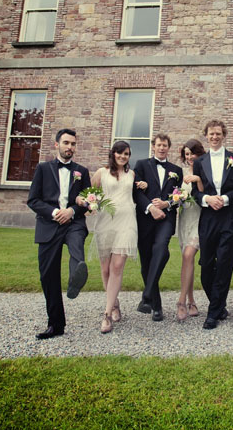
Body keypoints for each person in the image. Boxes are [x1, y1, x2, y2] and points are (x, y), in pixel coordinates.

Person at [27, 128, 91, 340]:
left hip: (73, 223)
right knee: (48, 275)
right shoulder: (43, 169)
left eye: (73, 144)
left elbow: (88, 201)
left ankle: (76, 278)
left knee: (76, 247)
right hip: (49, 225)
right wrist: (56, 212)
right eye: (66, 143)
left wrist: (73, 210)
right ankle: (56, 324)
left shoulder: (82, 171)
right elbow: (33, 200)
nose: (69, 147)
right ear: (57, 145)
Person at [192, 120, 233, 330]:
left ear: (224, 135)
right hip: (208, 218)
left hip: (231, 218)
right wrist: (207, 199)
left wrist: (224, 199)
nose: (214, 137)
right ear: (206, 135)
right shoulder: (199, 162)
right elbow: (195, 192)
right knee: (206, 266)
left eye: (218, 133)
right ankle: (220, 304)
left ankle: (213, 312)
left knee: (224, 263)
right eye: (211, 134)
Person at [78, 141, 139, 333]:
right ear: (113, 154)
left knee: (117, 266)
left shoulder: (132, 174)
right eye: (120, 153)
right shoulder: (101, 173)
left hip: (127, 223)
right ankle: (114, 303)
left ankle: (106, 314)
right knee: (105, 269)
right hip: (105, 223)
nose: (123, 157)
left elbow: (134, 195)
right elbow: (89, 195)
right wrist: (86, 203)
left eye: (127, 154)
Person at [133, 134, 184, 322]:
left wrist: (166, 204)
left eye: (165, 145)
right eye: (159, 145)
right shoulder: (141, 165)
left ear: (168, 148)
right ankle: (156, 305)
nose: (162, 148)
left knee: (161, 249)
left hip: (166, 219)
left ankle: (146, 295)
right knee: (146, 261)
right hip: (145, 218)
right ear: (153, 146)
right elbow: (136, 192)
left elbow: (179, 197)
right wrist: (150, 208)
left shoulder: (176, 170)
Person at [175, 139, 205, 321]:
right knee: (188, 261)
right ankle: (192, 301)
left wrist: (198, 178)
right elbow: (175, 195)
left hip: (200, 221)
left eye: (193, 153)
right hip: (185, 219)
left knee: (188, 256)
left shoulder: (205, 172)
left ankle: (180, 302)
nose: (190, 156)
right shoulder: (182, 174)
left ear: (200, 154)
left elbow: (204, 193)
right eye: (187, 153)